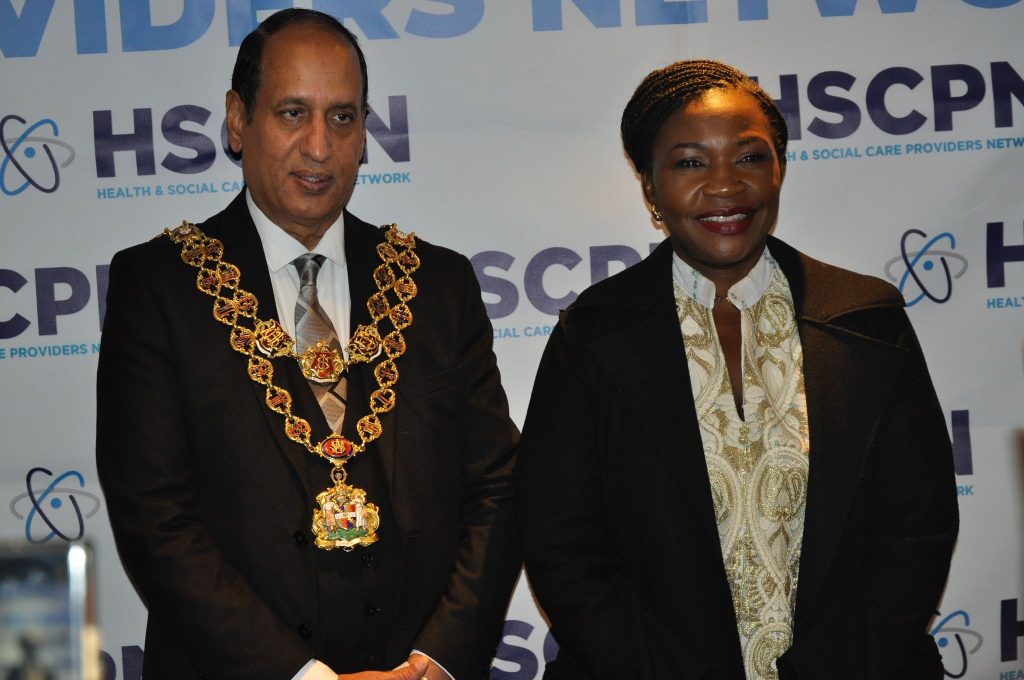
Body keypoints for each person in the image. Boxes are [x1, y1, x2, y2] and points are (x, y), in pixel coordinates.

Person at [96, 9, 519, 680]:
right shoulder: (160, 286)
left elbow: (498, 489)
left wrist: (434, 662)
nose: (320, 147)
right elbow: (156, 519)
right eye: (293, 113)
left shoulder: (437, 284)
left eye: (342, 117)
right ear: (239, 120)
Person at [516, 60, 958, 679]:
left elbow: (917, 526)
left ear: (780, 170)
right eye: (690, 163)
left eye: (749, 157)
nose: (725, 185)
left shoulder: (866, 321)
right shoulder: (591, 336)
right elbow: (561, 543)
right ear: (649, 187)